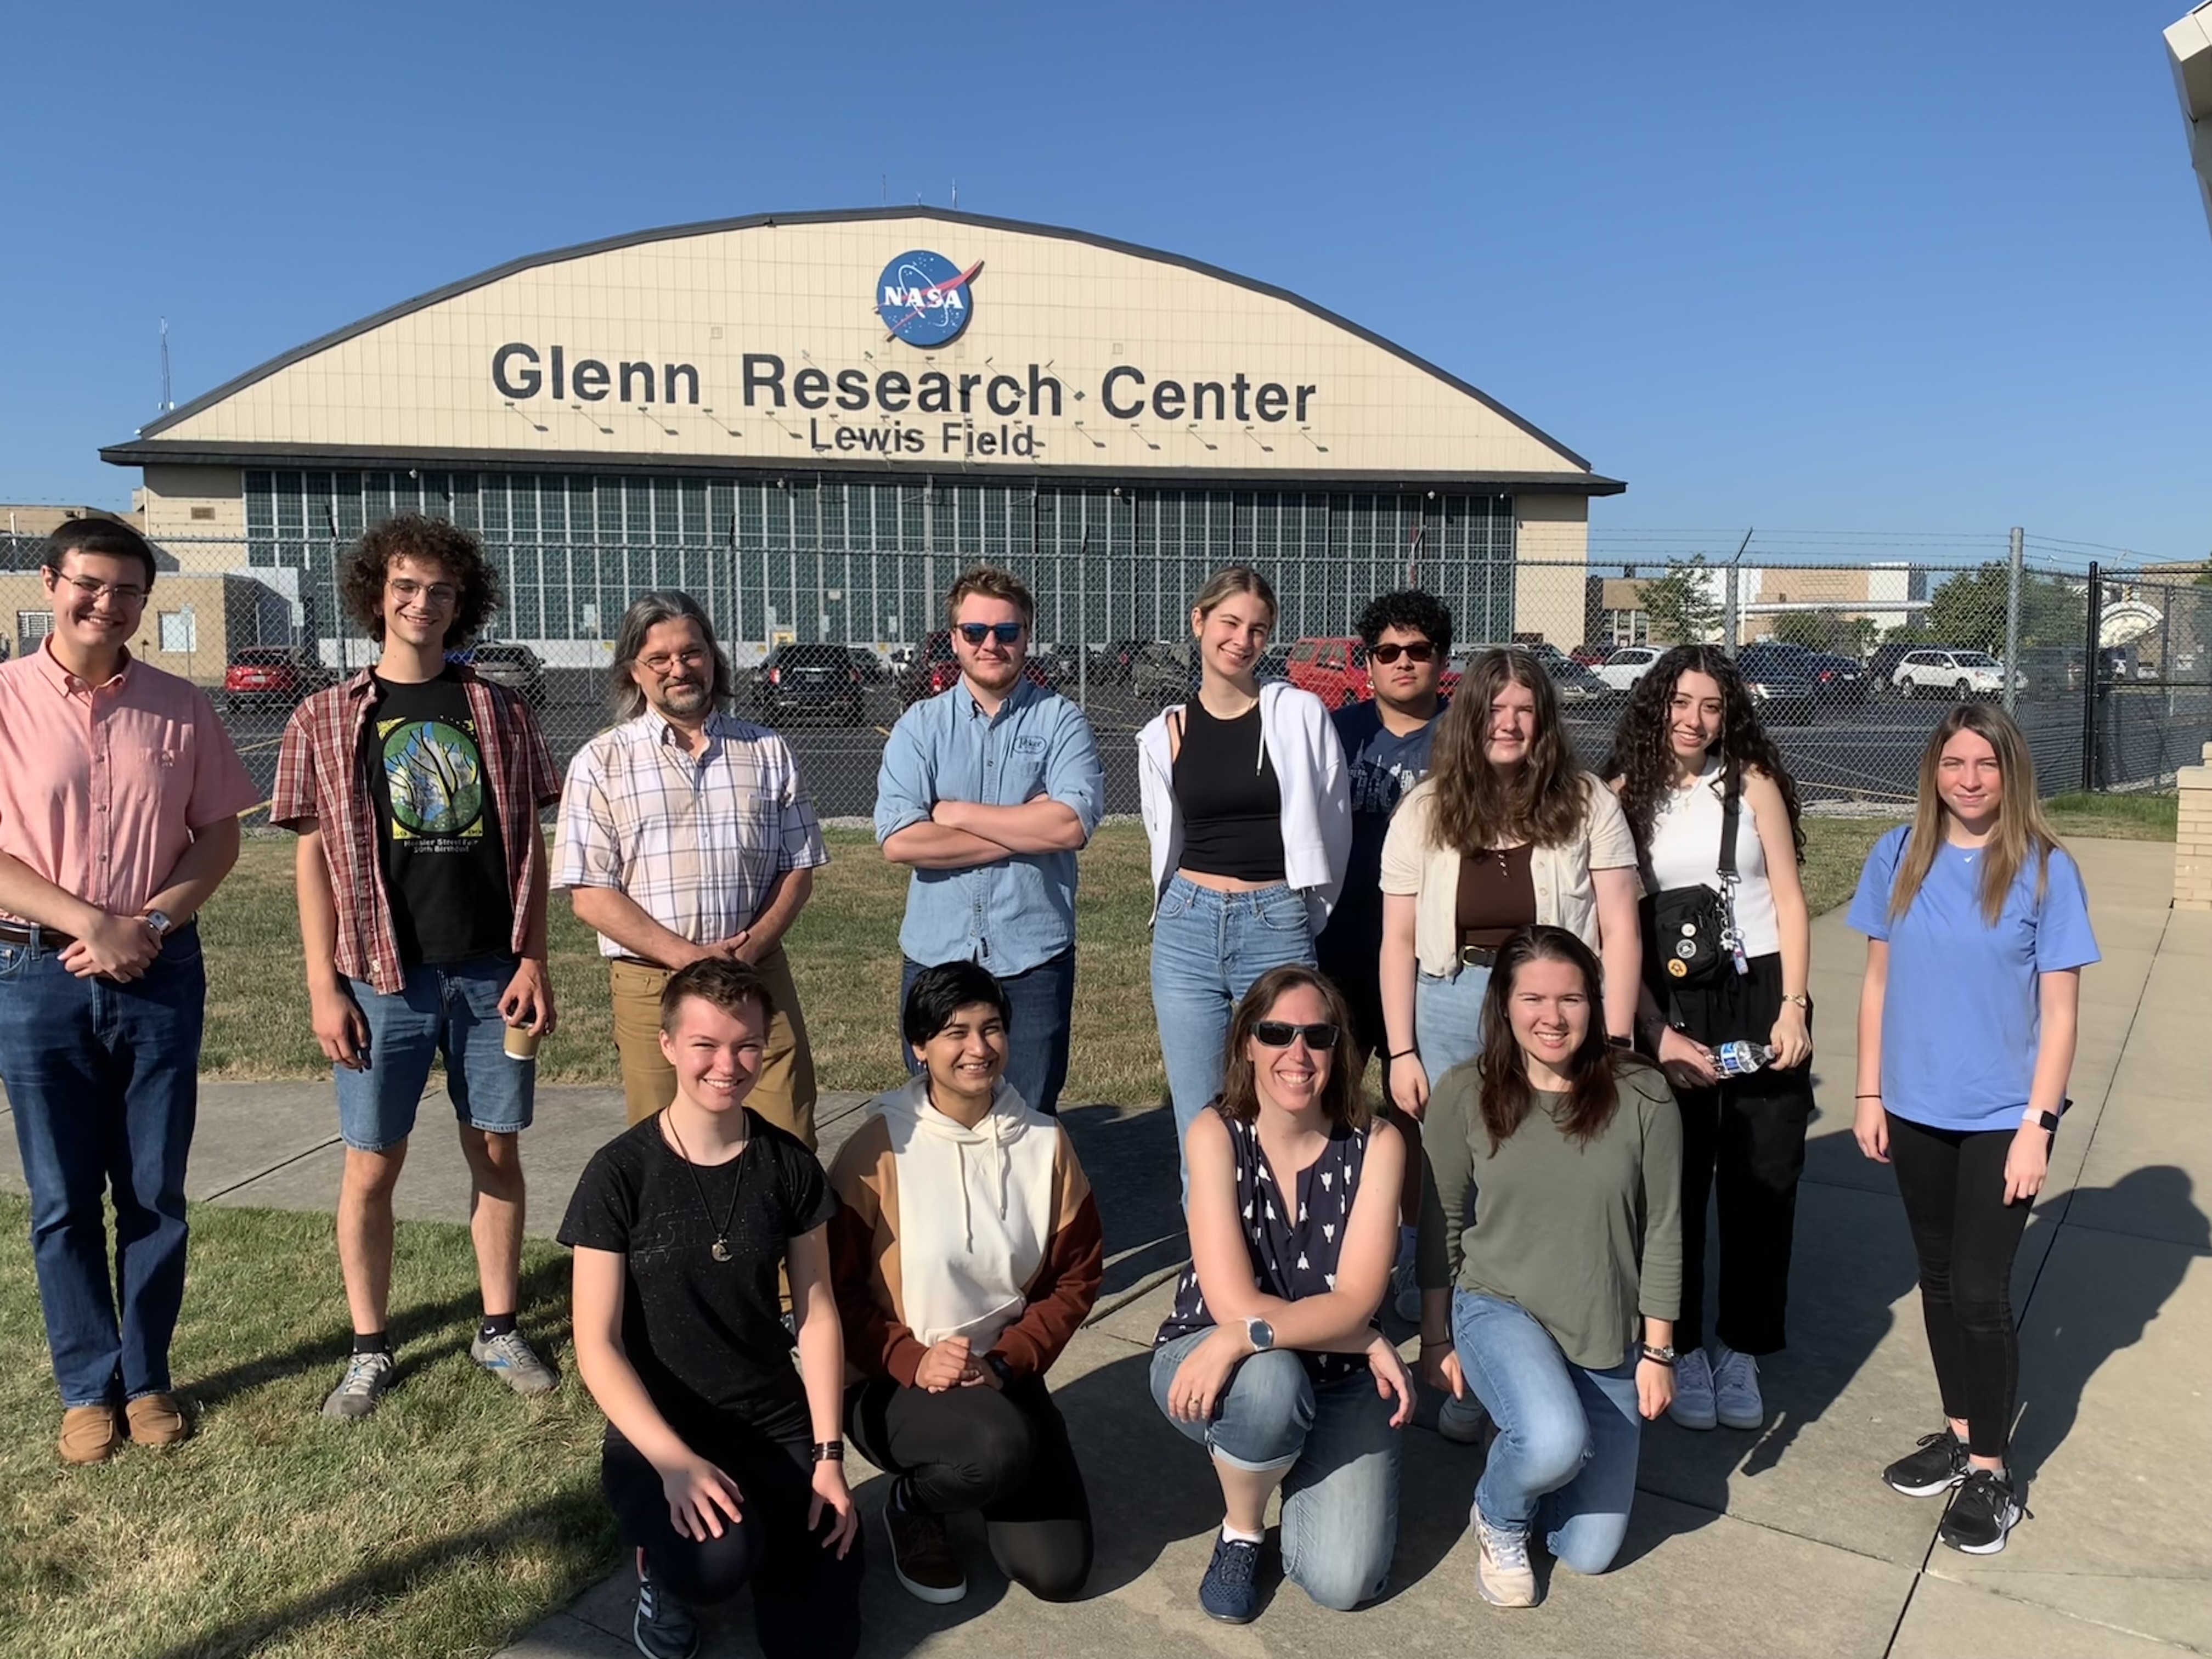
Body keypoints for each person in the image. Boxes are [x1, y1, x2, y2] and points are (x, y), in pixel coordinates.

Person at [272, 514, 562, 1420]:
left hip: (489, 975)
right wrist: (324, 985)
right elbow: (311, 857)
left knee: (496, 1147)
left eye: (439, 590)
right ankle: (369, 1345)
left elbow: (532, 849)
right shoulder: (324, 716)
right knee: (372, 1163)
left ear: (461, 602)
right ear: (375, 595)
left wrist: (535, 957)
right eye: (404, 586)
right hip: (377, 974)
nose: (421, 603)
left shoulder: (499, 710)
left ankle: (499, 1323)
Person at [0, 518, 256, 1465]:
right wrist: (88, 923)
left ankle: (146, 1375)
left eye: (127, 591)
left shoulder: (181, 707)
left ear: (147, 601)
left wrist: (147, 925)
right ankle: (84, 1385)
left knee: (154, 1188)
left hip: (159, 968)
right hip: (34, 974)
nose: (106, 604)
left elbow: (218, 834)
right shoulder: (5, 699)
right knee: (63, 1194)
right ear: (50, 581)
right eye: (91, 585)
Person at [1849, 703, 2096, 1556]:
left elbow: (2060, 1015)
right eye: (1954, 762)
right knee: (1940, 1281)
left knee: (1983, 1293)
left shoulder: (2043, 870)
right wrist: (1869, 1095)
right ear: (1935, 771)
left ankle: (1993, 1472)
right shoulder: (1898, 856)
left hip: (2003, 1118)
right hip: (1913, 1109)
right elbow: (1878, 985)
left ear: (2010, 771)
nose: (1969, 778)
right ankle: (1960, 1435)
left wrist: (2038, 1124)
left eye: (1985, 763)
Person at [561, 960, 861, 1659]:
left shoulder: (787, 1164)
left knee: (824, 1638)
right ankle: (659, 1574)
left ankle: (773, 1536)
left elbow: (816, 1315)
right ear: (668, 1046)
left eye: (746, 1045)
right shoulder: (618, 1175)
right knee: (716, 1563)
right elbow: (596, 1343)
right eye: (706, 1045)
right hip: (662, 1429)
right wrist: (672, 1463)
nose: (727, 1065)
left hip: (774, 1420)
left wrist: (828, 1456)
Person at [1417, 926, 1681, 1609]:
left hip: (1602, 1329)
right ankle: (1498, 1515)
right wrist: (1438, 1338)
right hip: (1499, 1304)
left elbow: (1664, 1228)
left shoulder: (1644, 1094)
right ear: (1503, 1003)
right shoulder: (1462, 1093)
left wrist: (1658, 1351)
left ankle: (1522, 1424)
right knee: (1554, 1443)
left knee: (1589, 1553)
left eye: (1571, 998)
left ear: (1595, 1003)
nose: (1552, 1017)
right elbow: (1441, 1223)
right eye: (1532, 997)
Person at [828, 962, 1102, 1606]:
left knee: (1057, 1573)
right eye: (954, 1033)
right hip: (889, 1379)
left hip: (1001, 1375)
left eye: (992, 1028)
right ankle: (914, 1504)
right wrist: (911, 1359)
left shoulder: (1045, 1141)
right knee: (997, 1449)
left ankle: (979, 1466)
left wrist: (1009, 1364)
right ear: (920, 1047)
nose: (978, 1049)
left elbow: (1077, 1276)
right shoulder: (877, 1149)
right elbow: (832, 1293)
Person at [1150, 967, 1413, 1623]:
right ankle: (1242, 1527)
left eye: (1316, 1037)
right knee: (1270, 1388)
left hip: (1336, 1379)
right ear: (1247, 1044)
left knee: (1343, 1580)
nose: (1297, 1054)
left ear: (1338, 1049)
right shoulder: (1216, 1132)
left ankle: (1284, 1460)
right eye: (1277, 1033)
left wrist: (1264, 1330)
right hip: (1215, 1360)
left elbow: (1354, 1297)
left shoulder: (1377, 1143)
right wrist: (1362, 1333)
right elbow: (1232, 1302)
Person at [1604, 645, 1815, 1432]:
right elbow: (1613, 925)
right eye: (1682, 703)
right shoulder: (1621, 796)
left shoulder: (1752, 784)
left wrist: (1793, 1005)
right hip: (1673, 1001)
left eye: (1712, 707)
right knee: (1676, 1183)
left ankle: (1742, 1347)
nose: (1695, 720)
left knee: (1765, 1177)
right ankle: (1681, 1343)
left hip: (1759, 988)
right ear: (1658, 704)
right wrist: (1654, 1034)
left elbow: (1791, 900)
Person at [556, 591, 828, 1141]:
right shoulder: (601, 762)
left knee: (788, 1133)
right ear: (634, 671)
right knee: (666, 1146)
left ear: (713, 658)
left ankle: (781, 1230)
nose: (678, 669)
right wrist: (687, 958)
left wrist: (748, 949)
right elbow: (589, 894)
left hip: (756, 970)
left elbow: (798, 868)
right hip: (651, 979)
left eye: (692, 653)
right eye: (659, 659)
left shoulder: (767, 751)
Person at [1138, 568, 1350, 1195]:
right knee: (1200, 1115)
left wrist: (1300, 907)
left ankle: (1290, 1247)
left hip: (1275, 919)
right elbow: (1164, 836)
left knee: (1288, 1099)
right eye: (1229, 623)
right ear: (1200, 623)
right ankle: (1212, 1266)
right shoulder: (1165, 733)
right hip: (1186, 928)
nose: (1242, 639)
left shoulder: (1299, 715)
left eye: (1257, 629)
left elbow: (1333, 824)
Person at [874, 567, 1105, 1118]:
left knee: (1029, 1120)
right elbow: (901, 841)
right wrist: (1026, 828)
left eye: (1007, 631)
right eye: (975, 632)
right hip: (937, 958)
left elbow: (1071, 827)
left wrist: (955, 814)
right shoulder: (920, 727)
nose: (991, 644)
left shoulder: (1061, 722)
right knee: (936, 1121)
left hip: (1033, 960)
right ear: (953, 638)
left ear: (1027, 636)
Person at [1379, 647, 1642, 1117]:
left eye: (1525, 711)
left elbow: (1621, 929)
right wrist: (1402, 1053)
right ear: (1470, 719)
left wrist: (1617, 1040)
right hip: (1451, 1002)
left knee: (1555, 1150)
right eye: (1495, 710)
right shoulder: (1422, 811)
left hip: (1558, 1006)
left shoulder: (1590, 803)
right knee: (1454, 1166)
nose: (1509, 724)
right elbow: (1398, 940)